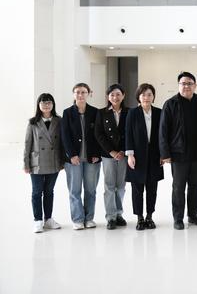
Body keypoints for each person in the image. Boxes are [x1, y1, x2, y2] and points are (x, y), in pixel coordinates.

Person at [159, 72, 197, 230]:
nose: (186, 86)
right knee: (178, 187)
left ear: (195, 85)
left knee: (196, 185)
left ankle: (194, 215)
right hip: (178, 154)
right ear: (178, 85)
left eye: (189, 83)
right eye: (183, 83)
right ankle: (178, 218)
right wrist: (165, 154)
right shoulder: (170, 104)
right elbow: (163, 131)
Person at [61, 83, 101, 230]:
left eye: (83, 92)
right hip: (74, 159)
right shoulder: (67, 113)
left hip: (92, 158)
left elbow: (99, 135)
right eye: (77, 92)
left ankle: (89, 218)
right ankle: (78, 219)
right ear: (73, 94)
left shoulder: (95, 112)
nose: (80, 95)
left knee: (91, 190)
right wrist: (71, 155)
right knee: (74, 190)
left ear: (89, 94)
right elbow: (65, 136)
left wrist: (97, 153)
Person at [125, 83, 164, 231]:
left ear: (153, 97)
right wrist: (130, 155)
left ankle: (149, 216)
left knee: (152, 188)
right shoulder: (133, 113)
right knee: (137, 189)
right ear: (138, 97)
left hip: (155, 156)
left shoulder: (159, 112)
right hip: (137, 156)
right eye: (143, 95)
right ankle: (140, 218)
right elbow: (128, 134)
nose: (146, 97)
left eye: (149, 94)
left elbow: (163, 135)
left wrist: (163, 154)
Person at [23, 93, 64, 233]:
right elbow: (27, 144)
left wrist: (63, 161)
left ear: (53, 104)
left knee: (49, 192)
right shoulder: (33, 122)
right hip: (37, 162)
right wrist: (26, 163)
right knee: (36, 192)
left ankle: (48, 219)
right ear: (38, 105)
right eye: (43, 103)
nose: (46, 105)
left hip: (54, 161)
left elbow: (62, 142)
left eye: (49, 102)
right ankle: (38, 220)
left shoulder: (59, 121)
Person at [95, 84, 129, 230]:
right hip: (108, 155)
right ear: (108, 97)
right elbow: (98, 134)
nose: (115, 97)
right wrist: (111, 152)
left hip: (124, 154)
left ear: (123, 95)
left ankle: (119, 214)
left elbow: (131, 133)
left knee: (121, 185)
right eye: (112, 95)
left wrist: (123, 151)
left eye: (118, 94)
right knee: (109, 186)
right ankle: (110, 217)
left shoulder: (129, 112)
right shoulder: (101, 113)